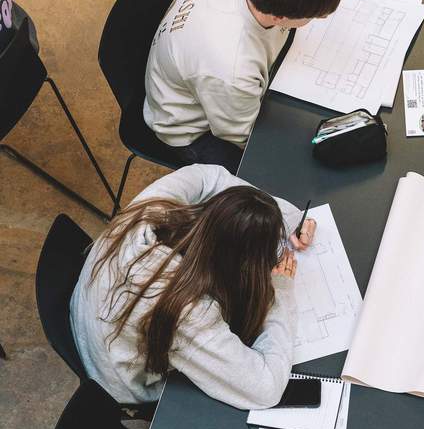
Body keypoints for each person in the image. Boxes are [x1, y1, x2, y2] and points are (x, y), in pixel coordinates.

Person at [70, 164, 318, 409]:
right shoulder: (187, 311)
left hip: (88, 310)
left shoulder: (155, 206)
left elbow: (208, 175)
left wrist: (287, 218)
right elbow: (266, 389)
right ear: (242, 267)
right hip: (116, 379)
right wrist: (281, 292)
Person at [143, 0, 343, 173]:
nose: (319, 20)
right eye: (314, 17)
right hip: (192, 129)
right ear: (279, 18)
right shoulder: (232, 68)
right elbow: (242, 135)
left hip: (206, 83)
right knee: (285, 175)